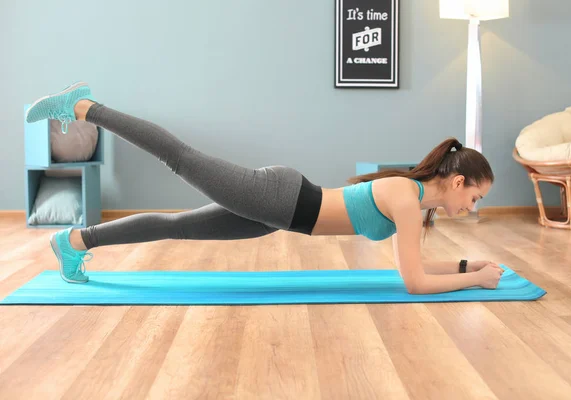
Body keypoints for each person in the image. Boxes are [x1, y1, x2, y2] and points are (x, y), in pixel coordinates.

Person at [25, 82, 504, 293]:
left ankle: (72, 242)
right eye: (475, 197)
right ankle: (84, 108)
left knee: (179, 228)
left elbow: (415, 265)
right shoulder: (406, 196)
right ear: (458, 181)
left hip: (281, 215)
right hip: (282, 199)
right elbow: (415, 283)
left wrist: (466, 264)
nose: (474, 206)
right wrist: (477, 280)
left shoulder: (414, 205)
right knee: (180, 157)